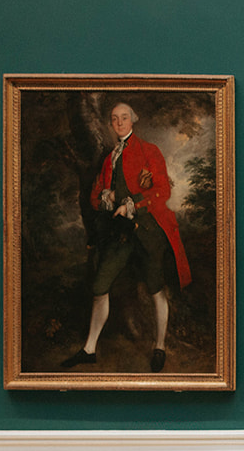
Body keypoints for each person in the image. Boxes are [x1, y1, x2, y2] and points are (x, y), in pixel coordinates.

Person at [60, 102, 190, 372]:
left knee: (156, 288)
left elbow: (162, 190)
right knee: (99, 287)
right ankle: (89, 349)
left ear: (133, 120)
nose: (119, 123)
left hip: (148, 231)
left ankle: (160, 346)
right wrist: (105, 199)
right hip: (120, 234)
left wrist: (133, 203)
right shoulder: (109, 159)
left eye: (124, 118)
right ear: (110, 124)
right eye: (114, 119)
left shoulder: (149, 151)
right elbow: (95, 196)